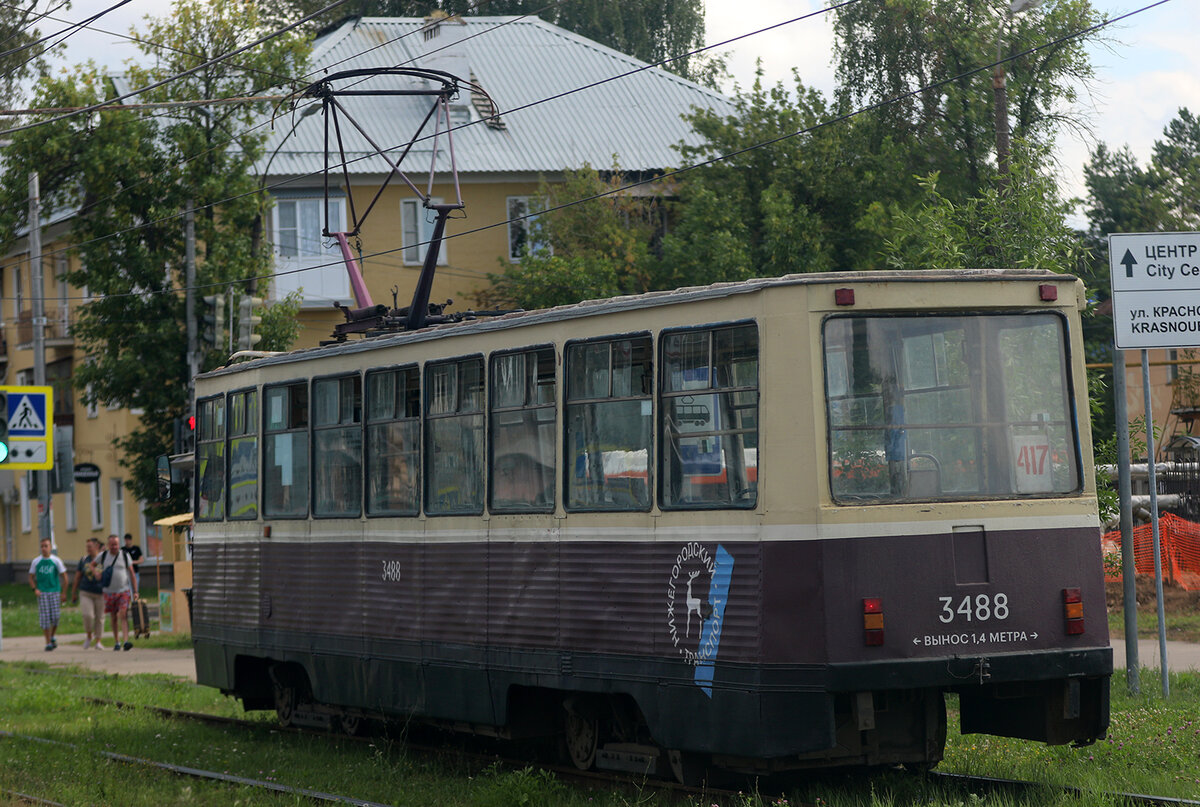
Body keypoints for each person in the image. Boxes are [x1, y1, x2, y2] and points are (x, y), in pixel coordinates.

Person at [28, 537, 67, 651]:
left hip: (54, 591)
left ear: (50, 547)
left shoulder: (56, 561)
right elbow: (30, 577)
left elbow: (64, 577)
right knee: (45, 618)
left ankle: (52, 635)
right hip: (42, 592)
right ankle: (48, 642)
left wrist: (63, 592)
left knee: (55, 617)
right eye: (42, 546)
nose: (44, 548)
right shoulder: (36, 561)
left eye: (46, 546)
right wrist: (35, 589)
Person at [100, 533, 138, 651]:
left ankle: (126, 641)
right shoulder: (103, 556)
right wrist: (96, 573)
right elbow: (92, 565)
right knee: (113, 617)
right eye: (111, 545)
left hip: (124, 590)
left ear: (119, 544)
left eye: (116, 544)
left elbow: (132, 574)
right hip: (109, 592)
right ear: (108, 545)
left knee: (123, 614)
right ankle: (117, 642)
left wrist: (135, 591)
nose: (114, 547)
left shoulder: (125, 556)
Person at [70, 537, 106, 649]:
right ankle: (89, 636)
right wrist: (73, 592)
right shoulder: (84, 560)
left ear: (96, 547)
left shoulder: (104, 559)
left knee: (100, 618)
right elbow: (77, 577)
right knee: (88, 615)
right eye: (87, 547)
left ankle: (98, 641)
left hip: (101, 593)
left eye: (90, 547)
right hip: (86, 592)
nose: (88, 549)